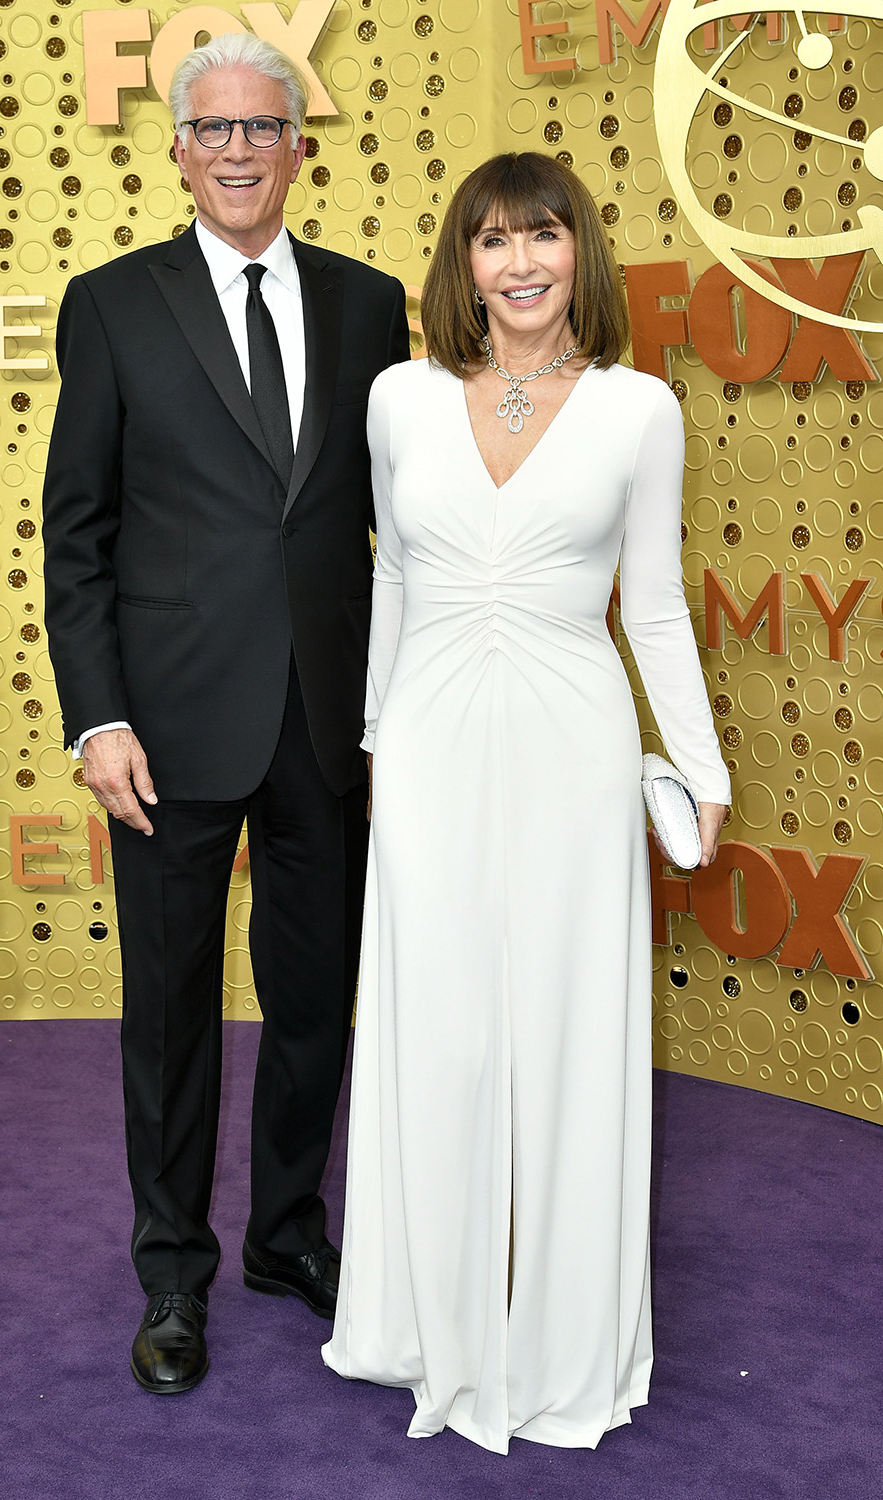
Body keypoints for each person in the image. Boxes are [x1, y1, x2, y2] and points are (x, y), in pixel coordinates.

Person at [322, 151, 731, 1452]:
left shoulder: (638, 412)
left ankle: (559, 1339)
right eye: (494, 241)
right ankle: (428, 1321)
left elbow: (653, 605)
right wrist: (378, 743)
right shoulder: (398, 400)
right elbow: (389, 583)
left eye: (544, 237)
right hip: (433, 741)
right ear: (464, 263)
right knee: (436, 1030)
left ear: (579, 254)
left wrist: (704, 769)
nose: (520, 265)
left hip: (574, 740)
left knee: (564, 1034)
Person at [41, 33, 409, 1395]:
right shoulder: (114, 303)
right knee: (172, 1014)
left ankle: (288, 1237)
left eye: (266, 129)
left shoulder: (372, 306)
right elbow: (75, 532)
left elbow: (397, 528)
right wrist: (99, 718)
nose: (242, 152)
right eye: (218, 131)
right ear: (179, 148)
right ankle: (174, 1275)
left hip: (328, 723)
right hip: (170, 733)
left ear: (300, 149)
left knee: (315, 1002)